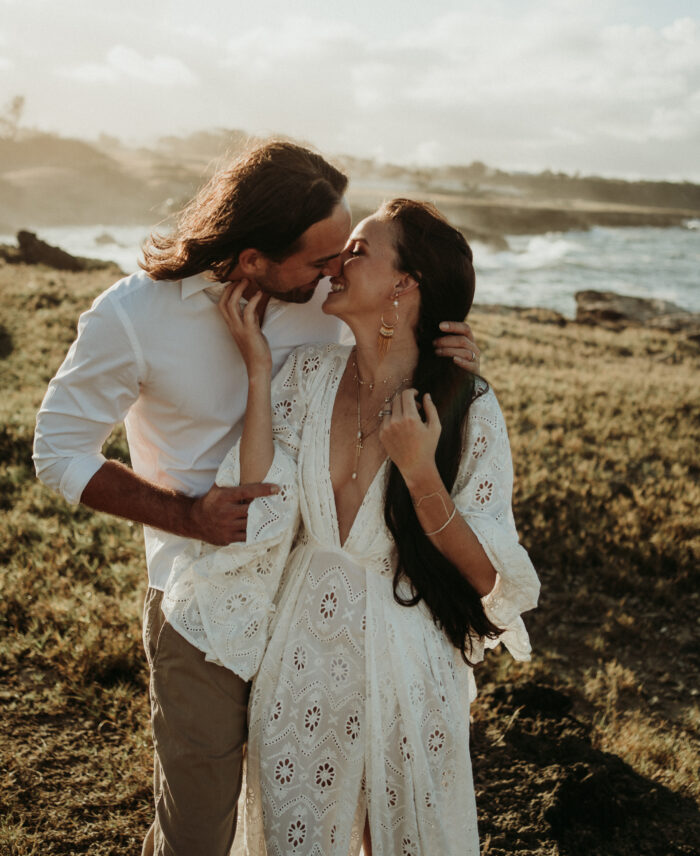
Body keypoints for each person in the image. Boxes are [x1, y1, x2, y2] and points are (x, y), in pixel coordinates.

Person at [32, 143, 481, 856]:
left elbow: (386, 338)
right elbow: (56, 450)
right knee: (201, 830)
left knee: (312, 815)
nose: (337, 270)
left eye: (344, 255)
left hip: (313, 601)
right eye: (321, 260)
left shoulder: (325, 302)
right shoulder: (132, 317)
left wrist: (449, 356)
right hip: (205, 603)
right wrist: (186, 516)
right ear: (251, 260)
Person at [163, 198, 540, 855]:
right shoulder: (307, 376)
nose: (340, 262)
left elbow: (487, 577)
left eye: (360, 251)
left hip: (407, 662)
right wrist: (256, 368)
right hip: (300, 659)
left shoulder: (467, 406)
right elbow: (261, 498)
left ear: (406, 283)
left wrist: (421, 475)